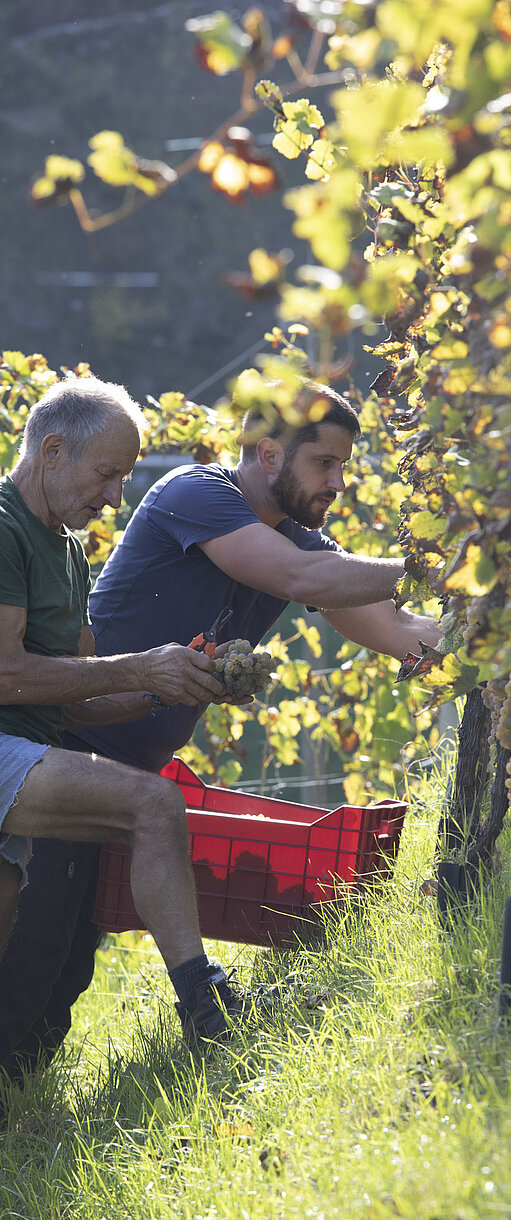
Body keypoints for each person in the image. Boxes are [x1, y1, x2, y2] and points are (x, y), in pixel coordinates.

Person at [0, 378, 440, 1077]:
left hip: (112, 753)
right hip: (66, 747)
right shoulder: (197, 495)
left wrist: (485, 630)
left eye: (345, 467)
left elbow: (395, 628)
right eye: (325, 464)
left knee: (62, 976)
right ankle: (189, 1012)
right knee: (33, 961)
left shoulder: (294, 542)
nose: (339, 482)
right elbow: (303, 580)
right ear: (269, 454)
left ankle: (25, 1107)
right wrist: (436, 564)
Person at [0, 375, 265, 1059]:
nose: (116, 495)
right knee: (153, 805)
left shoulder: (69, 553)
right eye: (107, 474)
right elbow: (6, 673)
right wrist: (141, 667)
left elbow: (76, 694)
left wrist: (172, 686)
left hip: (21, 758)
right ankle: (205, 1007)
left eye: (123, 478)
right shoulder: (3, 528)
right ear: (52, 451)